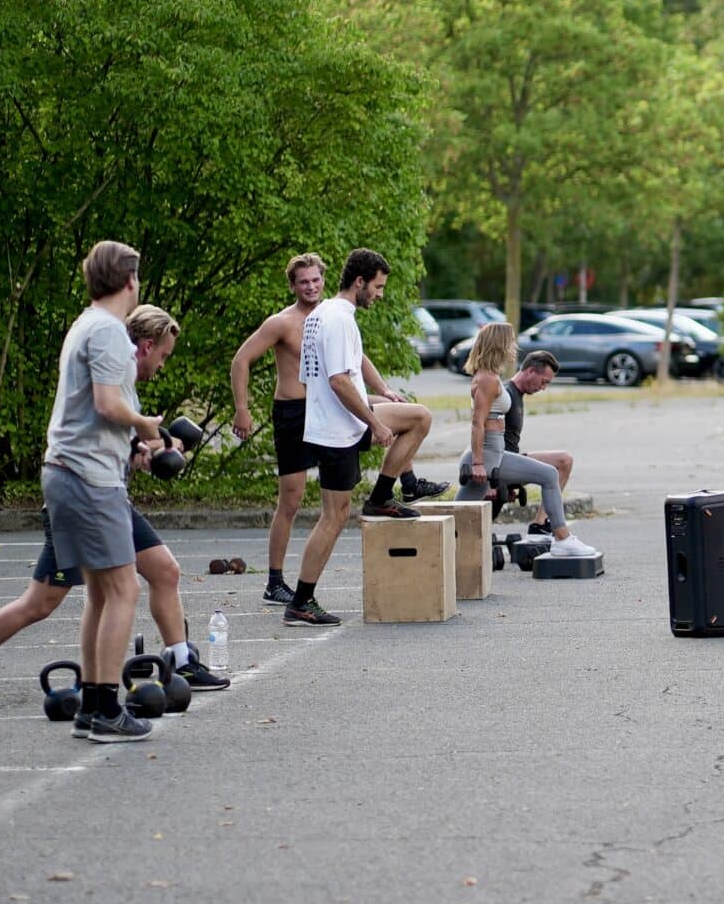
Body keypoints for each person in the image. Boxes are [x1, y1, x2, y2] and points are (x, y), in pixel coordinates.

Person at [0, 305, 231, 711]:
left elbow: (119, 448)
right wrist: (154, 441)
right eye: (163, 356)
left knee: (164, 570)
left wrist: (151, 451)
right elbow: (93, 441)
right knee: (41, 602)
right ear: (146, 346)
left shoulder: (124, 385)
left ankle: (183, 662)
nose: (162, 365)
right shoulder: (110, 382)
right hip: (81, 502)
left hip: (110, 500)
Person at [230, 251, 446, 606]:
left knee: (407, 417)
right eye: (304, 281)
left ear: (326, 280)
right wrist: (243, 409)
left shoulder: (326, 315)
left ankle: (402, 484)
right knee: (295, 501)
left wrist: (382, 391)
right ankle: (276, 581)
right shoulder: (290, 322)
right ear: (293, 286)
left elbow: (354, 361)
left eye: (316, 279)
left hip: (330, 407)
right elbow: (247, 361)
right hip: (300, 413)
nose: (311, 286)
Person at [30, 242, 167, 739]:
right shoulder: (109, 330)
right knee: (125, 589)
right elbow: (109, 404)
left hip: (67, 470)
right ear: (129, 280)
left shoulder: (85, 324)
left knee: (101, 593)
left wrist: (132, 445)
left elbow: (92, 410)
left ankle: (92, 705)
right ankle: (108, 709)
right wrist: (145, 424)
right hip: (88, 478)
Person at [284, 249, 432, 627]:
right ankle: (300, 602)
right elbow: (337, 380)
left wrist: (381, 394)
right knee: (333, 518)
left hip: (342, 422)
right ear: (360, 282)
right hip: (337, 431)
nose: (379, 295)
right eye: (378, 287)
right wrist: (375, 424)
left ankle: (382, 496)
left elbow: (338, 370)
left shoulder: (324, 314)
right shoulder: (337, 318)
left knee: (418, 417)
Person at [459, 327, 598, 560]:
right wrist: (478, 464)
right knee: (549, 475)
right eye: (511, 343)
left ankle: (559, 537)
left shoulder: (490, 377)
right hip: (489, 457)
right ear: (499, 345)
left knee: (459, 519)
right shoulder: (487, 380)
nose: (514, 348)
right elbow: (477, 423)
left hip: (496, 455)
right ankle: (562, 539)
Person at [499, 349, 573, 533]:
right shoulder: (506, 394)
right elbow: (485, 435)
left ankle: (540, 524)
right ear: (531, 371)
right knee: (558, 465)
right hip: (500, 463)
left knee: (564, 461)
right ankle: (552, 529)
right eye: (544, 381)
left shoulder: (517, 394)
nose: (543, 388)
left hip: (513, 459)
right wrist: (492, 481)